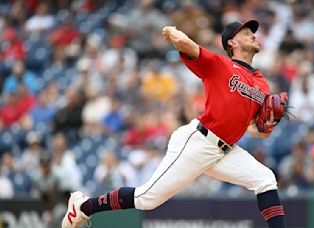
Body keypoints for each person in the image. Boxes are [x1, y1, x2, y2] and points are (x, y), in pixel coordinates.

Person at [62, 20, 287, 228]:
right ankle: (83, 206)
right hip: (198, 142)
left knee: (265, 179)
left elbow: (256, 131)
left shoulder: (262, 84)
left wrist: (267, 126)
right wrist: (173, 32)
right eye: (248, 33)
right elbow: (189, 46)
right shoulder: (219, 65)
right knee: (146, 199)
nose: (254, 37)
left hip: (226, 151)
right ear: (232, 42)